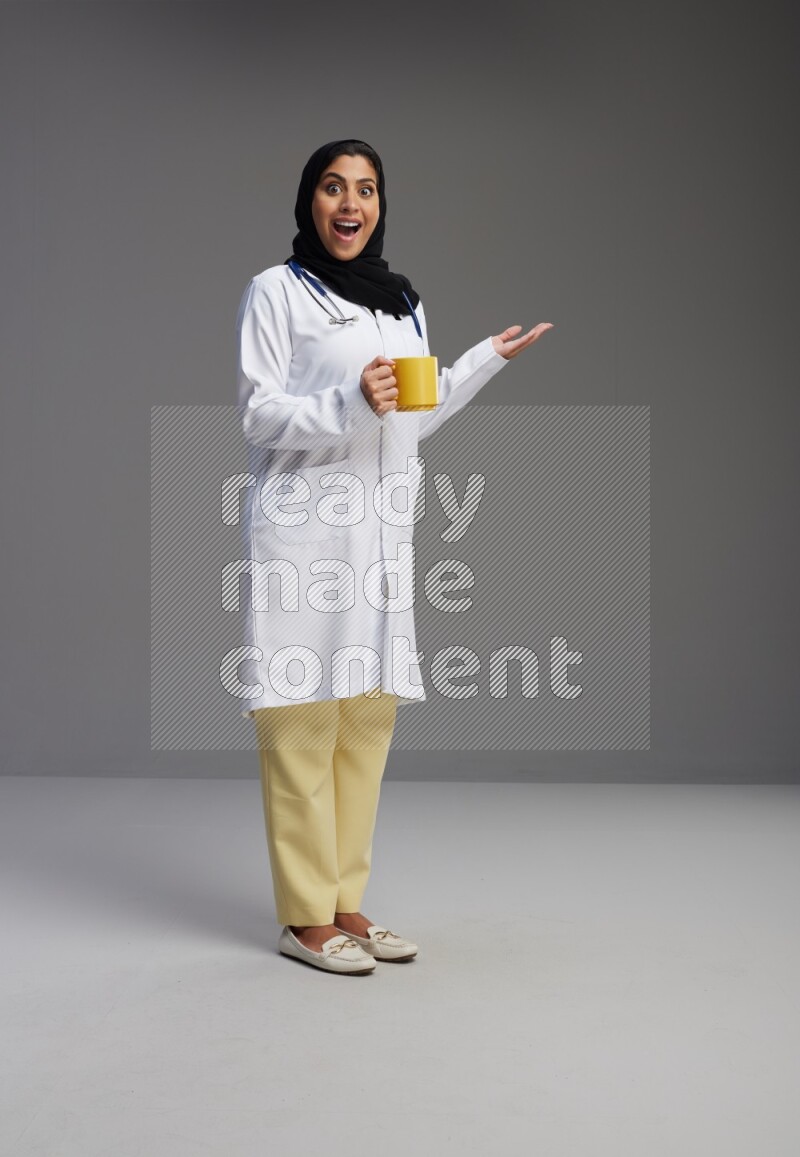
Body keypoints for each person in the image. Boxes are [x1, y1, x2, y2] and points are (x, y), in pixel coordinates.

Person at [234, 138, 553, 975]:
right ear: (309, 200)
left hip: (378, 539)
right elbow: (259, 415)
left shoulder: (402, 303)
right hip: (305, 536)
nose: (351, 204)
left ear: (381, 204)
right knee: (301, 721)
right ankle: (303, 918)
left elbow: (413, 414)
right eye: (334, 188)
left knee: (365, 722)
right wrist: (347, 398)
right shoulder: (278, 292)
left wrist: (483, 361)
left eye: (366, 190)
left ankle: (346, 902)